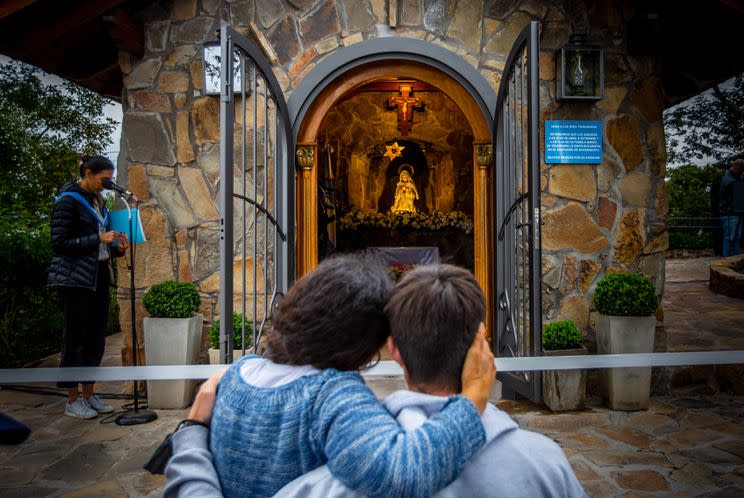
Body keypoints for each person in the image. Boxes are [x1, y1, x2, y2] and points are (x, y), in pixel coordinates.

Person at [165, 264, 585, 498]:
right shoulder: (337, 398)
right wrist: (474, 396)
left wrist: (189, 433)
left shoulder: (233, 377)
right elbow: (403, 472)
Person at [48, 155, 128, 419]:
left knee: (96, 339)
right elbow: (59, 243)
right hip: (75, 280)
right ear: (89, 173)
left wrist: (116, 248)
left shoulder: (99, 201)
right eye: (104, 178)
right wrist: (97, 238)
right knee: (75, 340)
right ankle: (72, 400)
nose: (107, 183)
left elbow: (101, 244)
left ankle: (89, 394)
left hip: (98, 276)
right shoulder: (68, 201)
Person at [719, 158, 744, 256]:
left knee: (736, 238)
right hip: (729, 213)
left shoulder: (735, 177)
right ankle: (727, 260)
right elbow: (734, 188)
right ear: (737, 167)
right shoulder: (728, 179)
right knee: (729, 238)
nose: (743, 172)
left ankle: (735, 259)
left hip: (736, 212)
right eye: (743, 170)